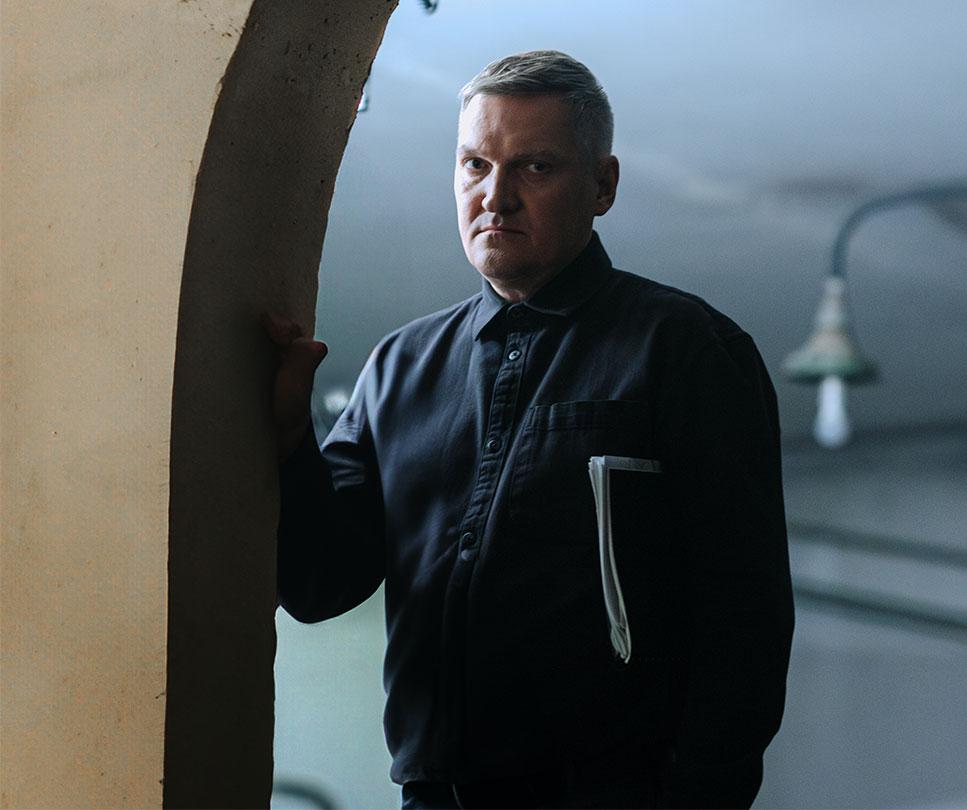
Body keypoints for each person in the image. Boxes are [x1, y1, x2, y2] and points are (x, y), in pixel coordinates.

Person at [267, 50, 794, 809]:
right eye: (475, 165)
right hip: (434, 794)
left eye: (535, 167)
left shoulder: (684, 349)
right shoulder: (399, 368)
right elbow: (318, 585)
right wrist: (290, 441)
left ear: (603, 185)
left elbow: (745, 613)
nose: (496, 196)